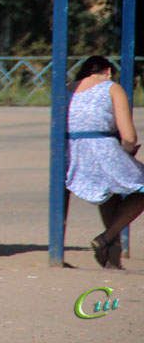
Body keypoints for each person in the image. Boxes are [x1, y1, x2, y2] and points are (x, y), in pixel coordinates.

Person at [66, 55, 144, 269]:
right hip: (102, 150)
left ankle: (111, 255)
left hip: (70, 156)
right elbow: (129, 137)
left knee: (109, 191)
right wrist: (128, 152)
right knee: (134, 184)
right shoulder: (111, 87)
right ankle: (106, 238)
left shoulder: (65, 89)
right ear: (108, 71)